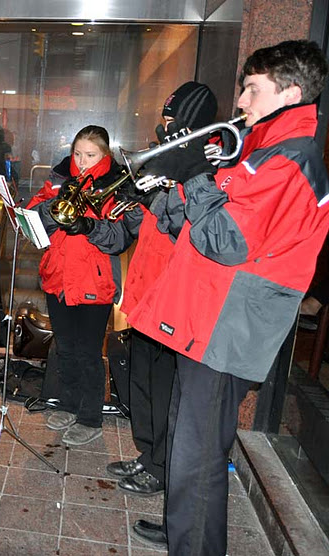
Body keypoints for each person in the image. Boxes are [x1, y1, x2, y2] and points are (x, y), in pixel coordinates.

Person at [128, 40, 329, 555]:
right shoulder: (260, 152)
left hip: (227, 324)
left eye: (253, 89)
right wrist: (168, 190)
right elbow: (198, 227)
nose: (241, 100)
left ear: (291, 93)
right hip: (206, 316)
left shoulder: (289, 160)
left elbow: (227, 242)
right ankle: (184, 527)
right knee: (186, 440)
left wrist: (194, 172)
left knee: (198, 453)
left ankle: (193, 543)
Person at [83, 83, 218, 499]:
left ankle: (161, 465)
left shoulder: (208, 163)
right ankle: (147, 453)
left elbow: (187, 228)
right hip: (145, 290)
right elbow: (139, 228)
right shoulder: (170, 159)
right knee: (140, 380)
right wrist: (133, 195)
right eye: (165, 120)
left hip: (173, 296)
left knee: (163, 388)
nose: (167, 129)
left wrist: (168, 186)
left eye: (174, 122)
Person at [29, 125, 125, 446]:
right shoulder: (59, 178)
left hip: (94, 282)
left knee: (88, 352)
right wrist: (53, 207)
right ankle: (68, 404)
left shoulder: (115, 185)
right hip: (57, 277)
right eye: (77, 154)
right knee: (65, 348)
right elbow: (34, 215)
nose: (82, 162)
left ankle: (90, 417)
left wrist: (88, 226)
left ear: (105, 155)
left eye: (90, 155)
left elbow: (119, 238)